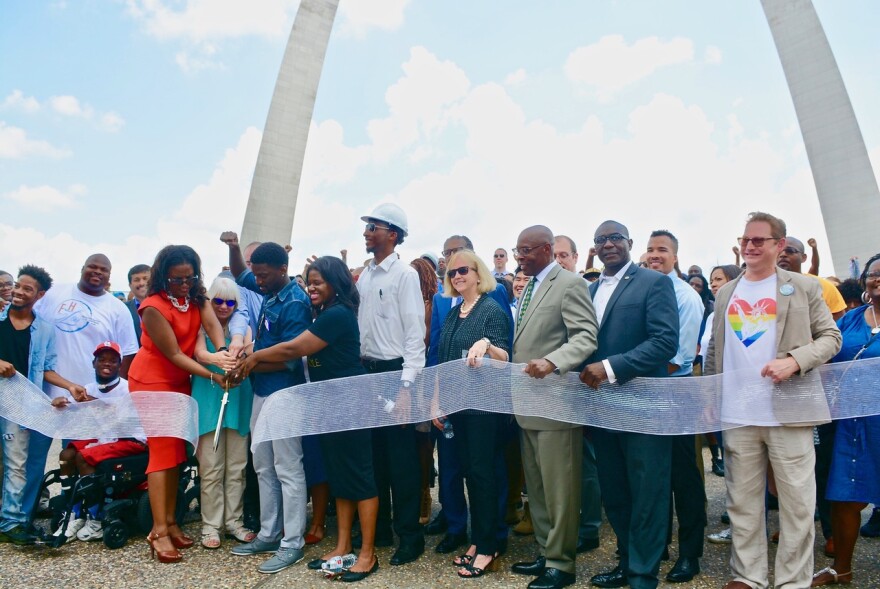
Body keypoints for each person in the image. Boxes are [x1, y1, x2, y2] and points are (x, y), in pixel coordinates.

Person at [704, 212, 841, 589]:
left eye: (759, 240)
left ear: (779, 244)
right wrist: (712, 395)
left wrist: (795, 361)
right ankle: (747, 576)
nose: (749, 246)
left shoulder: (803, 287)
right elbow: (716, 347)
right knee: (742, 503)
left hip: (789, 412)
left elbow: (831, 337)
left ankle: (791, 581)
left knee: (797, 506)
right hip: (738, 414)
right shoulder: (726, 292)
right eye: (745, 239)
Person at [239, 256, 380, 582]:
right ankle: (343, 546)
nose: (311, 288)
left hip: (350, 403)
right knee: (340, 478)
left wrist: (255, 355)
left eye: (318, 282)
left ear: (336, 283)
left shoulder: (337, 315)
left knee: (361, 478)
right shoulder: (324, 313)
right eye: (309, 281)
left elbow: (295, 349)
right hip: (329, 404)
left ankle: (367, 553)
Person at [580, 221, 679, 589]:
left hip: (644, 405)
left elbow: (665, 341)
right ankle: (626, 560)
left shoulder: (654, 283)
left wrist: (609, 368)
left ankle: (643, 573)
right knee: (616, 490)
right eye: (601, 240)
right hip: (602, 408)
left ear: (629, 243)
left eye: (615, 238)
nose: (608, 244)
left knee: (648, 491)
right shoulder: (588, 290)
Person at [127, 246, 237, 564]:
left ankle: (172, 522)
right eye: (178, 280)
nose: (185, 285)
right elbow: (174, 354)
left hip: (179, 381)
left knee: (176, 454)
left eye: (190, 277)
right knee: (162, 455)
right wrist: (213, 376)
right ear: (164, 276)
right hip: (153, 382)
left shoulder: (195, 297)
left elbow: (214, 327)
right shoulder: (152, 306)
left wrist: (223, 352)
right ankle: (158, 531)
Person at [510, 225, 598, 589]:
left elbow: (586, 335)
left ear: (546, 249)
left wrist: (554, 361)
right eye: (517, 251)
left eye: (526, 250)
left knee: (560, 490)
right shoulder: (529, 285)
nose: (519, 257)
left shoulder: (569, 284)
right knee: (539, 488)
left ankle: (562, 566)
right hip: (527, 405)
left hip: (556, 404)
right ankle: (547, 553)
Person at [227, 242, 313, 574]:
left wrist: (245, 366)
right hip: (262, 392)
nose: (257, 282)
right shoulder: (269, 287)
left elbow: (289, 360)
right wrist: (234, 247)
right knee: (262, 464)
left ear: (282, 269)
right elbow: (240, 272)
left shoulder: (294, 301)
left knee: (288, 468)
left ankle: (292, 542)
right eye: (257, 275)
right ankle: (269, 532)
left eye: (263, 276)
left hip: (285, 395)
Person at [425, 235, 512, 558]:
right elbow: (441, 360)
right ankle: (477, 540)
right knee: (470, 477)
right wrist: (436, 401)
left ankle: (488, 546)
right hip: (456, 407)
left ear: (479, 273)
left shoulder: (490, 309)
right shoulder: (453, 311)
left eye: (464, 270)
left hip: (483, 409)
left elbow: (506, 357)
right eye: (451, 272)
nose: (457, 276)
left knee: (483, 475)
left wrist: (487, 345)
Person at [356, 203, 427, 567]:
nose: (367, 231)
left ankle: (410, 537)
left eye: (374, 226)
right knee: (375, 458)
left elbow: (416, 336)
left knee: (402, 462)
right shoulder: (365, 276)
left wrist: (405, 387)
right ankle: (379, 530)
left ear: (393, 234)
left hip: (396, 373)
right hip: (368, 373)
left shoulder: (405, 275)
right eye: (367, 225)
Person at [0, 265, 86, 545]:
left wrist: (70, 385)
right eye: (18, 286)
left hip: (18, 405)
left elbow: (46, 369)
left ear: (39, 295)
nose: (19, 292)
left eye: (27, 289)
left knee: (17, 463)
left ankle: (14, 522)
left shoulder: (44, 330)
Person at [811, 253, 880, 587]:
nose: (877, 278)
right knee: (844, 495)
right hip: (851, 423)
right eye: (872, 273)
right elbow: (827, 354)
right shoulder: (851, 320)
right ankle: (842, 568)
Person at [645, 230, 706, 584]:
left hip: (676, 392)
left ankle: (689, 553)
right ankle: (659, 545)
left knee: (684, 478)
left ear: (675, 256)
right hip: (647, 391)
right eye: (650, 249)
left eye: (662, 250)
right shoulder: (645, 290)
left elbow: (678, 358)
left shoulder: (685, 296)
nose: (655, 255)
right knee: (654, 475)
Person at [51, 341, 147, 543]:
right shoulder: (88, 387)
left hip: (130, 437)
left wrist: (96, 403)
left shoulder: (128, 388)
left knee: (84, 457)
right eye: (102, 359)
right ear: (93, 363)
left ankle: (95, 518)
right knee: (66, 455)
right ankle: (74, 513)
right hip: (106, 436)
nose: (107, 364)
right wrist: (61, 402)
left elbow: (124, 419)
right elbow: (75, 409)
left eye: (113, 361)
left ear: (120, 365)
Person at [192, 277, 255, 549]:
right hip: (208, 398)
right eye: (218, 300)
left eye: (231, 302)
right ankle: (210, 526)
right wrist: (219, 357)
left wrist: (240, 357)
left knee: (237, 467)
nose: (224, 306)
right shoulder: (201, 325)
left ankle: (234, 522)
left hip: (239, 398)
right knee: (210, 467)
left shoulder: (245, 328)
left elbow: (250, 351)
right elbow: (198, 354)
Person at [124, 264, 151, 345]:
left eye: (145, 278)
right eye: (136, 280)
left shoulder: (166, 305)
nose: (141, 283)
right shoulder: (123, 309)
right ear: (130, 285)